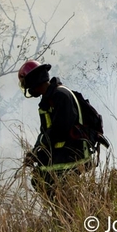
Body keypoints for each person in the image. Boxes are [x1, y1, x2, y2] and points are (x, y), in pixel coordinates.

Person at [19, 60, 92, 199]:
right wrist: (35, 151)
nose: (27, 88)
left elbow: (60, 130)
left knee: (44, 181)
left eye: (26, 84)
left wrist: (39, 153)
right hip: (61, 151)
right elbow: (45, 132)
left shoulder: (60, 96)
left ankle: (65, 215)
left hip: (73, 152)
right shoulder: (47, 100)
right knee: (39, 180)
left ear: (33, 82)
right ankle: (61, 214)